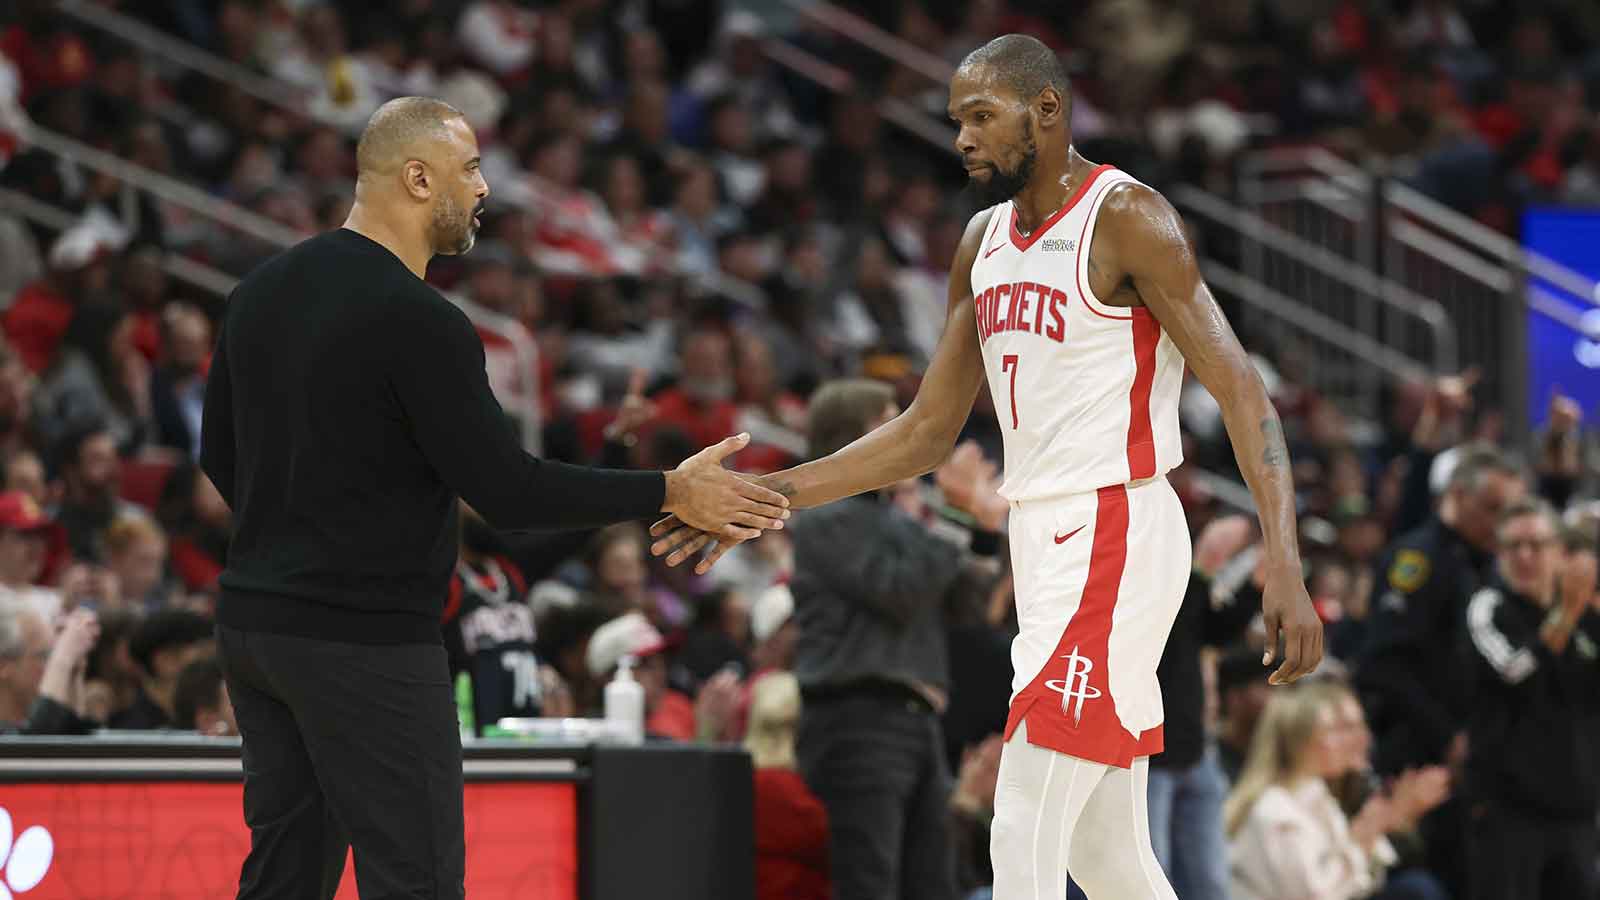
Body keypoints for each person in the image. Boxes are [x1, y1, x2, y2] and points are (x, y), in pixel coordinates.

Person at [652, 33, 1323, 899]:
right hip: (1043, 538)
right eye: (955, 120)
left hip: (1114, 524)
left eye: (980, 116)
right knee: (1104, 853)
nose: (962, 137)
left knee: (1020, 823)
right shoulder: (981, 240)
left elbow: (1241, 390)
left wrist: (1286, 559)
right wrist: (765, 495)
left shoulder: (1126, 217)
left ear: (1045, 110)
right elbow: (926, 430)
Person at [200, 96, 790, 900]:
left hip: (255, 627)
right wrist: (666, 488)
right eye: (471, 167)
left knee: (284, 874)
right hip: (367, 640)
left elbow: (217, 455)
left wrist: (302, 525)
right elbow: (507, 490)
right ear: (417, 177)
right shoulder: (421, 321)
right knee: (417, 879)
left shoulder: (257, 293)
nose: (484, 188)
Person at [1461, 500, 1600, 900]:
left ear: (1561, 553)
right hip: (1509, 814)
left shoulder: (1584, 617)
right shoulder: (1489, 608)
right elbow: (1516, 674)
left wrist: (1578, 610)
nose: (1525, 556)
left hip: (1576, 813)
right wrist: (1566, 615)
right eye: (1513, 546)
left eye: (1536, 545)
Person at [1225, 682, 1404, 900]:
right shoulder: (1274, 810)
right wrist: (1365, 831)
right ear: (1299, 737)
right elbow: (1312, 895)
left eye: (1360, 725)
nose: (1362, 738)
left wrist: (1375, 827)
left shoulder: (1318, 797)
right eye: (1342, 728)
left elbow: (1361, 886)